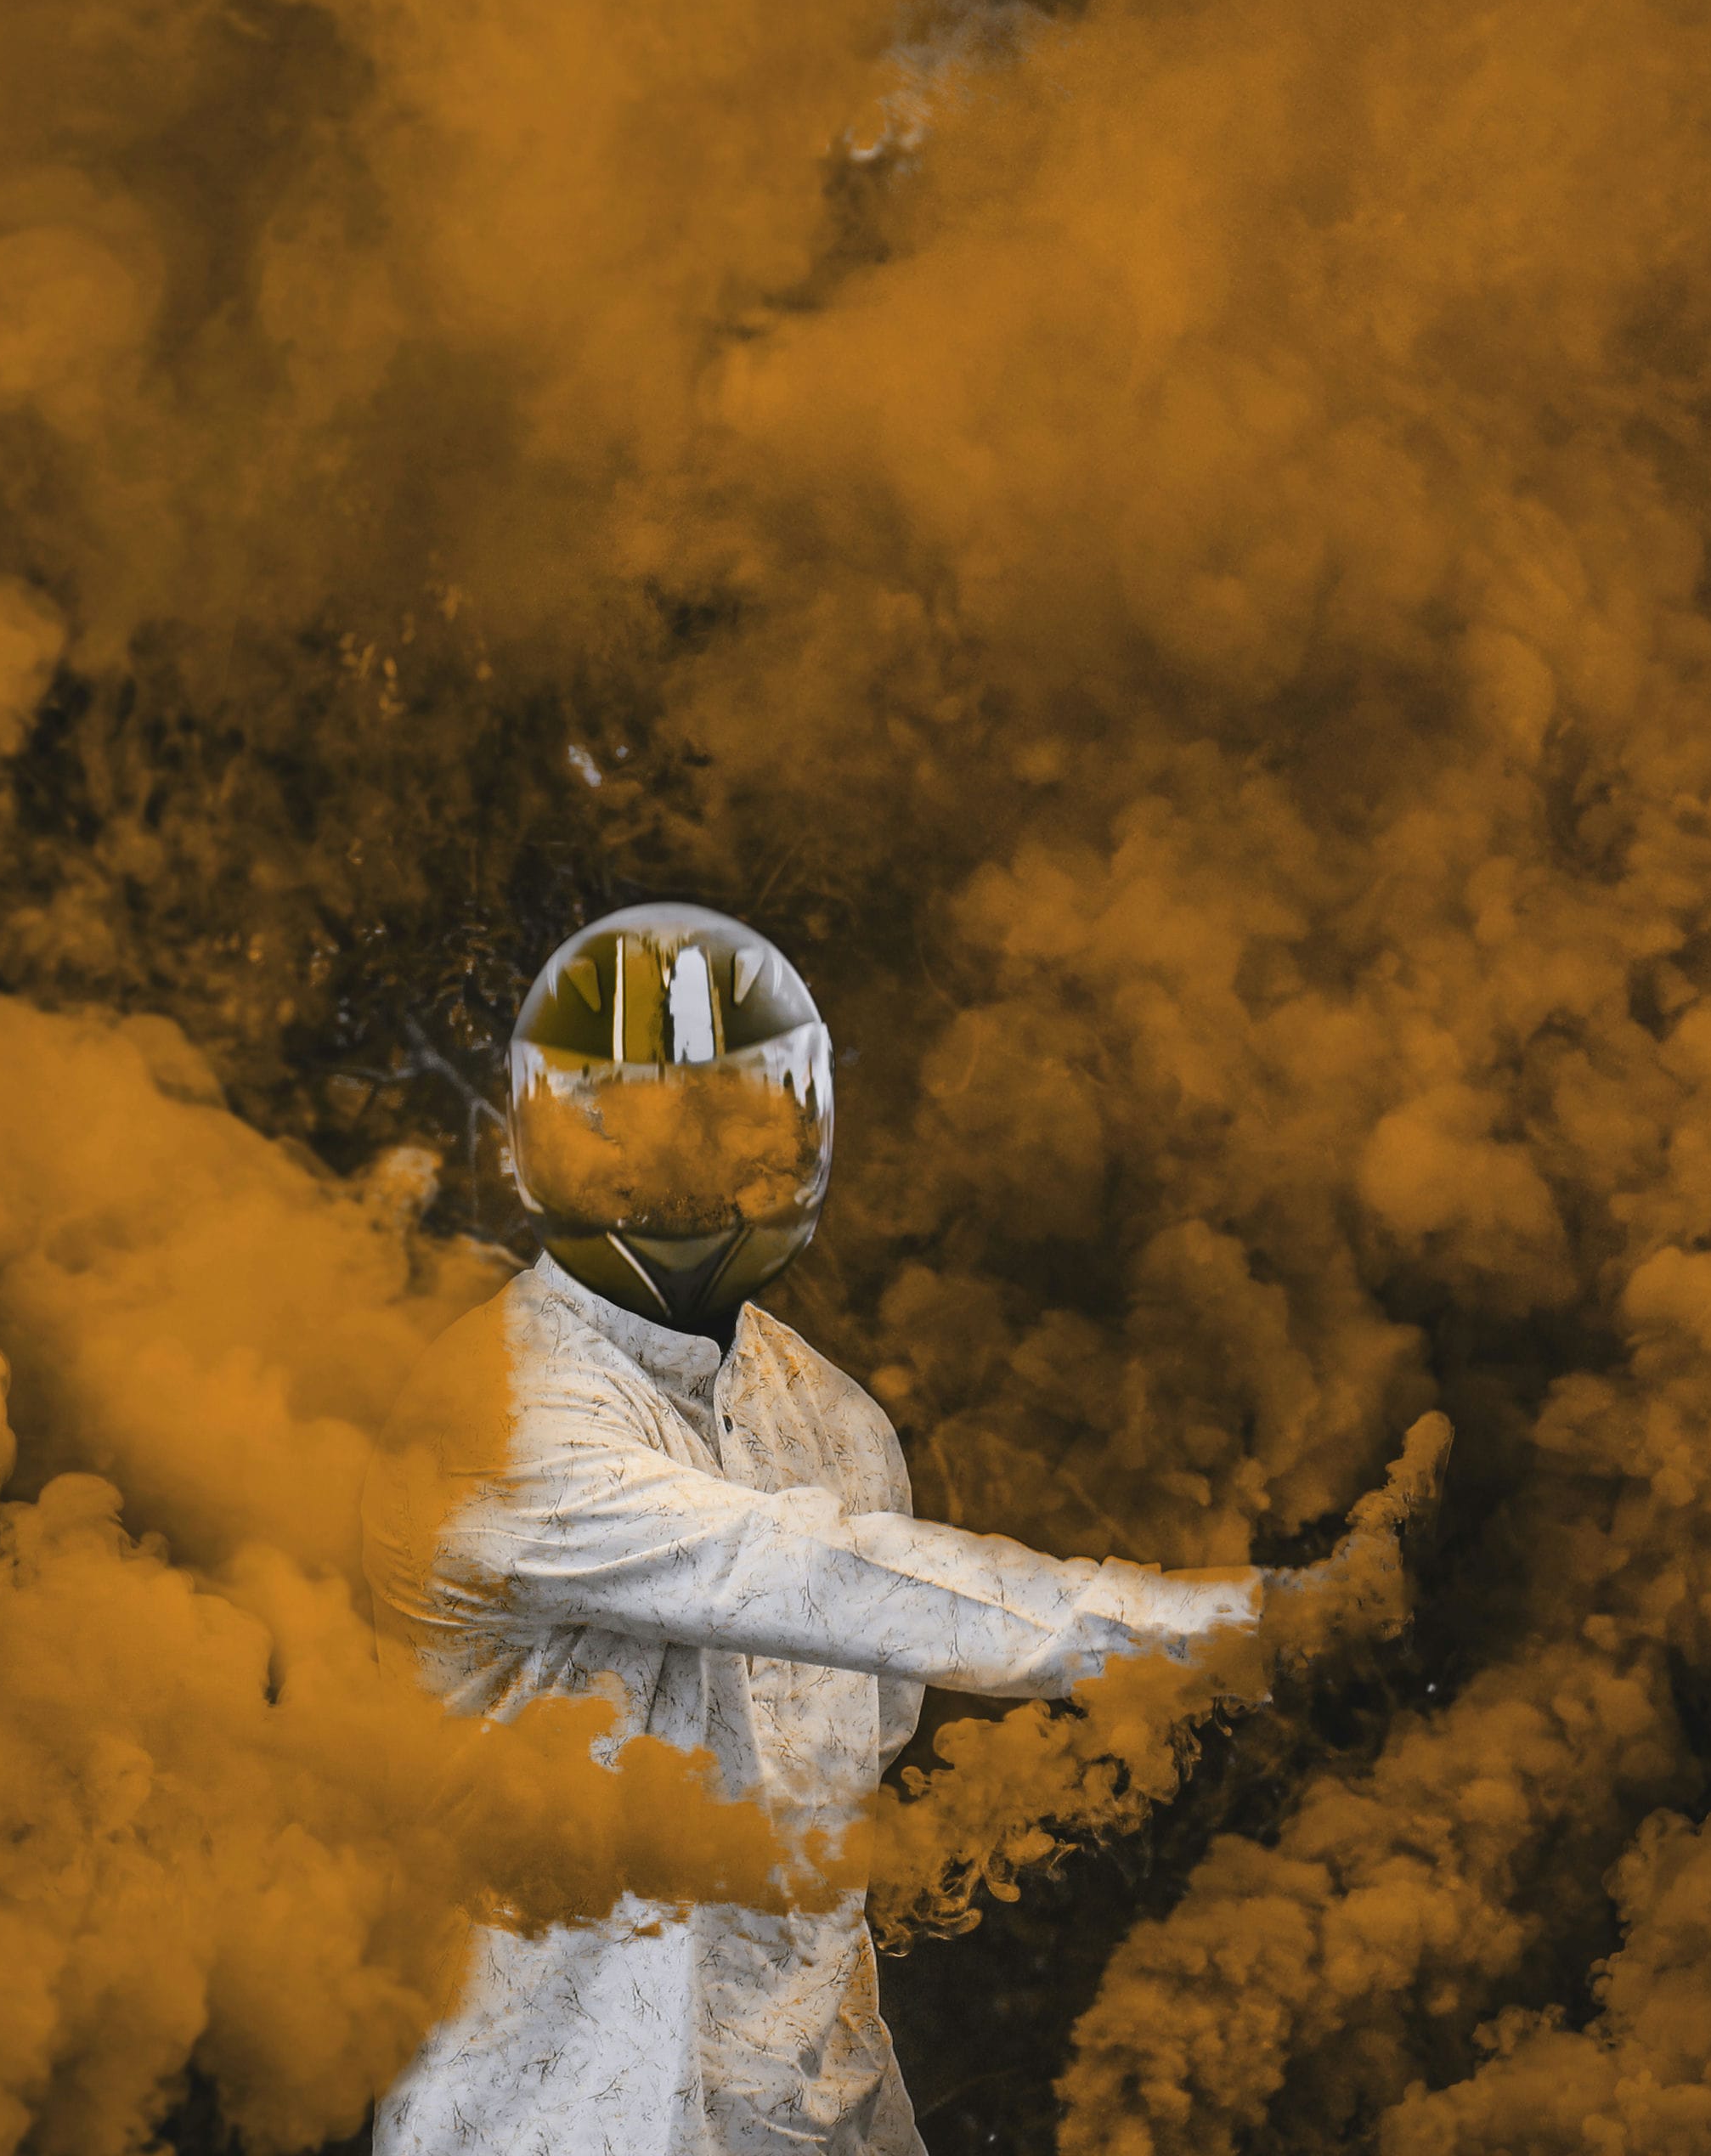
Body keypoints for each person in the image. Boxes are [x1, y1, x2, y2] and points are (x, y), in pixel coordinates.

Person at [361, 904, 1283, 2156]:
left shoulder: (835, 1419)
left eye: (739, 1114)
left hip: (806, 2111)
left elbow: (859, 1752)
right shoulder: (491, 1412)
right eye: (655, 1122)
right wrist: (1203, 1626)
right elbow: (804, 1576)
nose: (705, 1162)